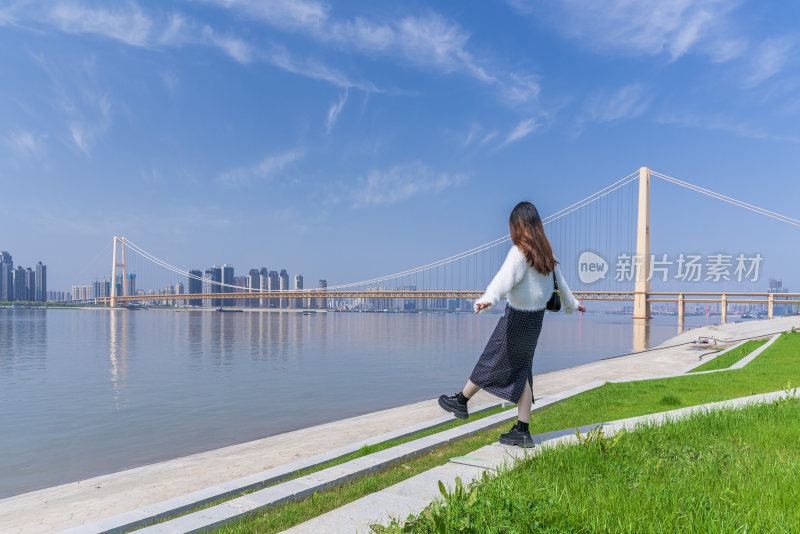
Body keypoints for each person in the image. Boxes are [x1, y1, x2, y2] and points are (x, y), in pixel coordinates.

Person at [438, 201, 585, 448]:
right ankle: (522, 430)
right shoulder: (547, 256)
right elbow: (563, 287)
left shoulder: (520, 253)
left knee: (491, 359)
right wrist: (574, 304)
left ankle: (461, 402)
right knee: (522, 371)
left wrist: (487, 299)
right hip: (535, 320)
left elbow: (503, 281)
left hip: (516, 318)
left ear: (518, 226)